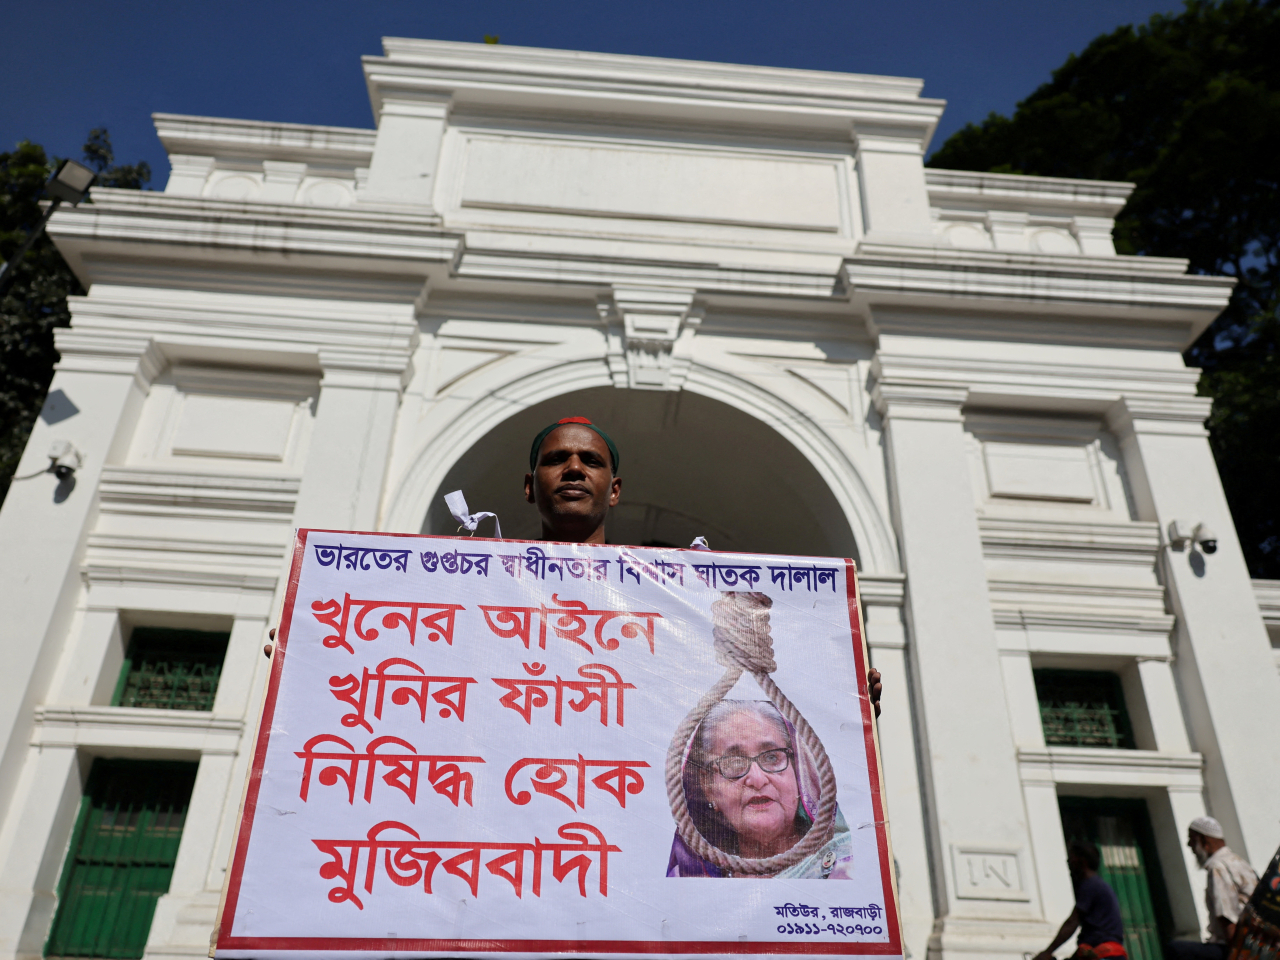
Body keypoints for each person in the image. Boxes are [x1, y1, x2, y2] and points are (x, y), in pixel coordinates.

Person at [267, 416, 884, 716]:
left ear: (613, 489)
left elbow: (737, 679)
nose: (573, 469)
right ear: (530, 486)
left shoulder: (674, 597)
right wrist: (319, 653)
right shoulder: (471, 584)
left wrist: (836, 686)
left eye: (589, 461)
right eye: (556, 459)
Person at [667, 698, 854, 878]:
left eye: (772, 757)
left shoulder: (844, 866)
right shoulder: (685, 879)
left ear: (799, 773)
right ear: (710, 789)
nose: (757, 779)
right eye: (734, 762)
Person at [1166, 816, 1259, 959]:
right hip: (1253, 943)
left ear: (1203, 840)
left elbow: (1227, 917)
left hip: (1238, 946)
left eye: (1191, 839)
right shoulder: (1239, 862)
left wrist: (1237, 955)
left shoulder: (1218, 867)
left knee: (1176, 949)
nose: (1189, 844)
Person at [1034, 840, 1127, 960]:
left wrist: (1047, 952)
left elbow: (1072, 922)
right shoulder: (1098, 885)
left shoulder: (1090, 886)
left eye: (1071, 858)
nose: (1068, 862)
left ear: (1082, 861)